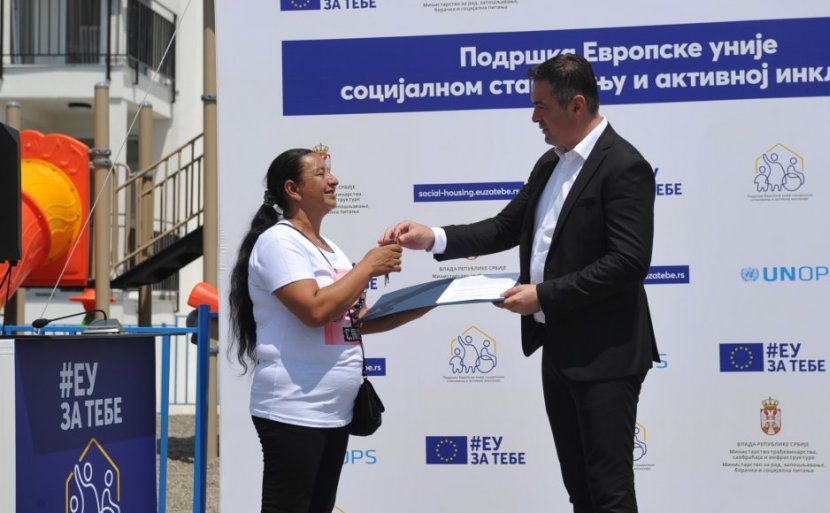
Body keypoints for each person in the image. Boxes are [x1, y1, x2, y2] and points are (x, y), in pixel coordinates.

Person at [380, 54, 659, 513]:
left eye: (541, 107)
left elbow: (628, 262)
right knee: (580, 492)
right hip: (559, 347)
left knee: (609, 494)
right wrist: (434, 237)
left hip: (607, 354)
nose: (534, 118)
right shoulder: (550, 164)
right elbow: (505, 227)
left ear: (576, 105)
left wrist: (542, 295)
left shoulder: (624, 165)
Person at [229, 147, 425, 513]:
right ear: (293, 189)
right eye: (320, 173)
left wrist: (429, 301)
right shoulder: (278, 242)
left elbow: (353, 318)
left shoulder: (330, 248)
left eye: (329, 172)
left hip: (335, 409)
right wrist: (368, 266)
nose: (333, 180)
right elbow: (315, 310)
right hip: (294, 408)